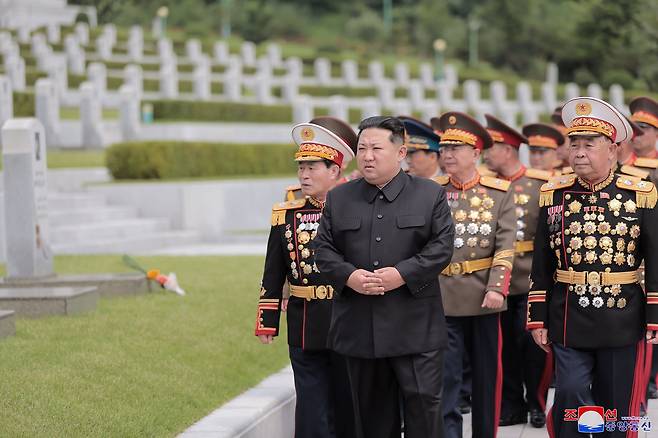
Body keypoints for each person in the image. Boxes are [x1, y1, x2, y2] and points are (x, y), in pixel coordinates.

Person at [314, 116, 455, 438]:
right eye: (362, 148)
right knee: (372, 419)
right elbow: (323, 250)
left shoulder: (429, 194)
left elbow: (442, 247)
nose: (367, 156)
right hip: (360, 327)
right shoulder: (340, 197)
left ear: (400, 151)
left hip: (415, 326)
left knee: (424, 410)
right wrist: (349, 276)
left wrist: (401, 274)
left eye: (376, 148)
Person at [528, 96, 658, 437]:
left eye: (590, 144)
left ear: (613, 149)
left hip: (622, 313)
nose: (579, 152)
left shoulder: (640, 194)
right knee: (570, 391)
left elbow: (656, 257)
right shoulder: (553, 194)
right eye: (574, 144)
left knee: (617, 403)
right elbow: (541, 260)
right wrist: (538, 316)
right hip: (569, 312)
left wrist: (655, 315)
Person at [255, 116, 357, 438]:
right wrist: (267, 319)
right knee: (310, 405)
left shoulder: (355, 210)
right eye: (301, 167)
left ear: (335, 171)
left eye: (313, 167)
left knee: (347, 401)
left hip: (346, 316)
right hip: (304, 320)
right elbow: (273, 270)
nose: (304, 174)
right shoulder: (287, 214)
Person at [430, 111, 516, 438]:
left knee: (486, 377)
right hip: (441, 297)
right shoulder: (432, 191)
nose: (447, 154)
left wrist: (497, 288)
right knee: (446, 376)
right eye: (444, 148)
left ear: (476, 153)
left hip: (484, 298)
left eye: (456, 148)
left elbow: (505, 246)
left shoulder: (498, 192)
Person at [483, 115, 553, 428]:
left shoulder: (539, 183)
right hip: (497, 278)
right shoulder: (486, 184)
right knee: (504, 346)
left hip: (529, 275)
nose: (485, 152)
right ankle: (511, 404)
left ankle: (537, 403)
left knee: (532, 344)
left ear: (509, 149)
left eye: (491, 146)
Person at [626, 97, 658, 185]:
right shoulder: (619, 160)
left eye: (642, 128)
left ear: (657, 133)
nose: (636, 133)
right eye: (633, 128)